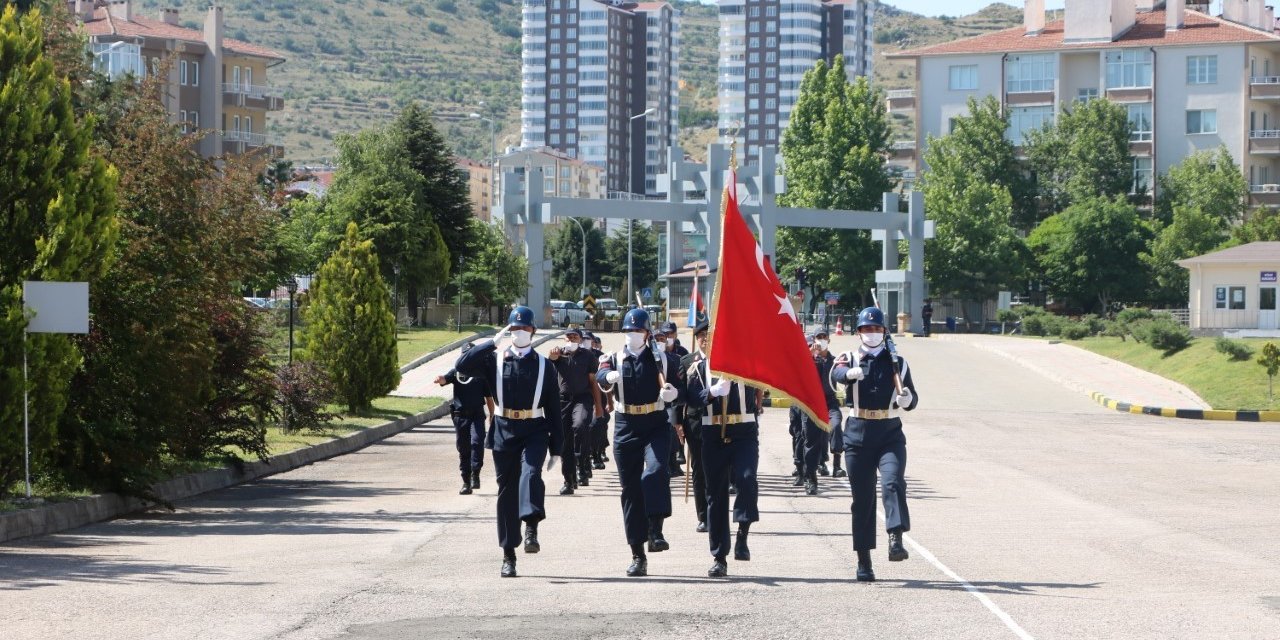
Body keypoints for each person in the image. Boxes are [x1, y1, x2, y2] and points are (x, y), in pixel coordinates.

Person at [454, 306, 563, 578]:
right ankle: (508, 555)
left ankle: (531, 526)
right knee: (506, 492)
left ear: (533, 331)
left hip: (535, 428)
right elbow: (462, 365)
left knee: (530, 473)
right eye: (514, 329)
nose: (519, 333)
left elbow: (553, 407)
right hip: (504, 429)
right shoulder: (494, 360)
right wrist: (491, 343)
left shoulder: (544, 365)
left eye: (524, 328)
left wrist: (557, 448)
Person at [831, 307, 919, 583]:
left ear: (884, 332)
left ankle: (896, 536)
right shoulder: (848, 357)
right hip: (857, 434)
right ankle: (864, 559)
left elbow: (912, 396)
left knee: (893, 482)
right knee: (863, 500)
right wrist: (848, 375)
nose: (872, 334)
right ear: (858, 332)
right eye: (867, 330)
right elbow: (835, 376)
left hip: (889, 432)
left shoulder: (898, 362)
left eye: (877, 330)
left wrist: (908, 400)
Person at [596, 308, 680, 577]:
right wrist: (607, 379)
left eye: (638, 331)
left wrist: (673, 393)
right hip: (625, 424)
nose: (633, 335)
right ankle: (637, 554)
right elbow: (601, 375)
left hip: (655, 421)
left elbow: (679, 388)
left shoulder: (663, 360)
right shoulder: (613, 357)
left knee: (656, 471)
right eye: (629, 331)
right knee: (630, 490)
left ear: (647, 334)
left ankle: (655, 528)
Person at [687, 321, 761, 578]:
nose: (708, 342)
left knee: (747, 479)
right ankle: (719, 556)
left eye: (713, 337)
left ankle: (742, 533)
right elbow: (692, 398)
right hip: (712, 432)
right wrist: (711, 392)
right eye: (703, 338)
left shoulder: (746, 363)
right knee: (715, 495)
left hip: (744, 431)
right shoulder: (697, 369)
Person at [550, 328, 604, 495]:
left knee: (580, 426)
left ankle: (583, 464)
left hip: (582, 398)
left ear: (580, 339)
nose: (571, 339)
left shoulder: (588, 356)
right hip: (563, 401)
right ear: (564, 339)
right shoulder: (558, 355)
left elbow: (593, 382)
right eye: (569, 336)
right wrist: (553, 358)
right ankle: (569, 479)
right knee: (565, 441)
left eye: (575, 336)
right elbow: (548, 378)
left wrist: (599, 406)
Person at [435, 342, 492, 495]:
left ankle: (475, 474)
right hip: (460, 416)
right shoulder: (456, 372)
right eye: (465, 355)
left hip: (477, 415)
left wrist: (492, 415)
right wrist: (440, 379)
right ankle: (465, 481)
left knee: (477, 441)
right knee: (463, 447)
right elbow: (445, 379)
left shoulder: (481, 374)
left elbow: (488, 397)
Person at [680, 319, 710, 533]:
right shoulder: (686, 361)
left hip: (719, 423)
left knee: (717, 470)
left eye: (708, 335)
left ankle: (716, 510)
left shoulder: (723, 361)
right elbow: (679, 397)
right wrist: (677, 424)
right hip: (695, 423)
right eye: (701, 336)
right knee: (699, 470)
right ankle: (703, 516)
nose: (705, 339)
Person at [655, 323, 685, 478]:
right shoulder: (645, 359)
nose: (660, 341)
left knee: (672, 429)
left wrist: (675, 393)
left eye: (663, 338)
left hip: (671, 402)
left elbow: (682, 383)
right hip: (652, 404)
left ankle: (674, 461)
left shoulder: (675, 359)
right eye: (657, 338)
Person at [586, 332, 613, 469]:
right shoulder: (570, 355)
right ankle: (585, 459)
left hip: (599, 397)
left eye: (588, 339)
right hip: (582, 399)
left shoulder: (600, 357)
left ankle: (597, 453)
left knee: (599, 425)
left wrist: (609, 401)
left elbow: (605, 381)